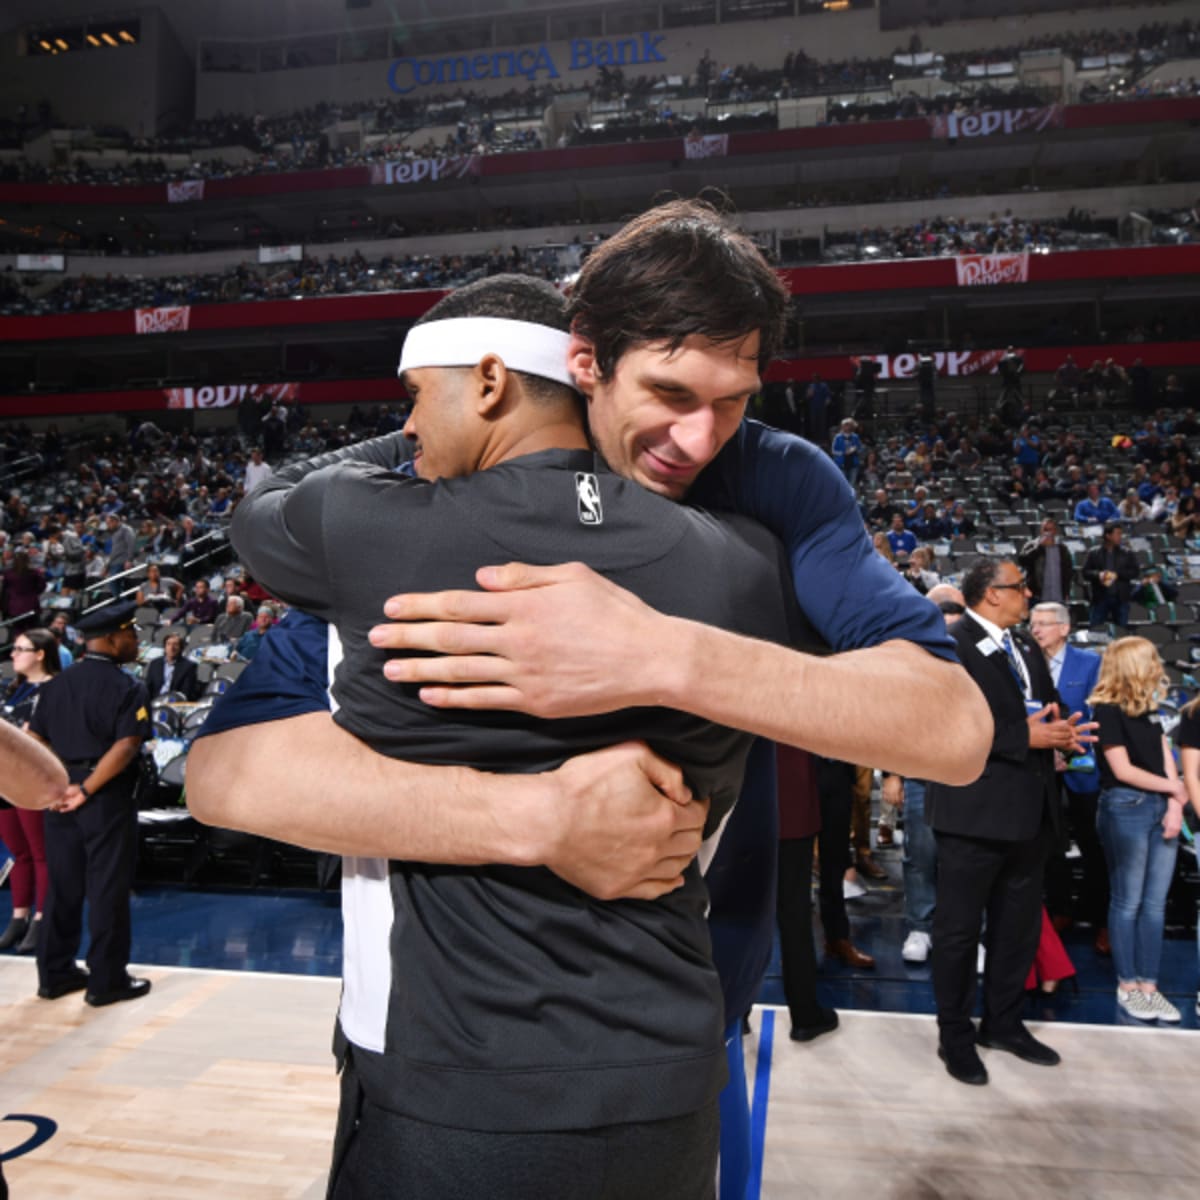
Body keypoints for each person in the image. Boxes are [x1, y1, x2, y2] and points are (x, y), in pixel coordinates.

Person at [189, 204, 987, 1190]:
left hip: (680, 1022)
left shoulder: (774, 483)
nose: (699, 438)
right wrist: (538, 816)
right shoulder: (426, 497)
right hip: (452, 1053)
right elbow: (236, 770)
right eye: (668, 392)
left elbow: (953, 728)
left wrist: (662, 653)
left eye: (734, 399)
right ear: (583, 361)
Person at [228, 272, 805, 1196]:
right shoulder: (742, 560)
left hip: (463, 1076)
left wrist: (404, 443)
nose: (410, 426)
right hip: (669, 1067)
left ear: (490, 381)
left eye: (416, 396)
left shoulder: (370, 530)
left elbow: (260, 506)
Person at [926, 559, 1093, 1086]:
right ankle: (954, 1035)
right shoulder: (950, 643)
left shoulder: (1023, 648)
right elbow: (940, 727)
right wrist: (1025, 739)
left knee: (1016, 930)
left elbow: (1042, 710)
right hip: (972, 816)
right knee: (957, 933)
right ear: (992, 595)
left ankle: (1003, 1022)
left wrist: (1062, 729)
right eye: (1019, 587)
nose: (1027, 594)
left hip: (1031, 814)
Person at [28, 600, 152, 1007]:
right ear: (112, 638)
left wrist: (58, 787)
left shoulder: (55, 685)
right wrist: (86, 789)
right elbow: (126, 745)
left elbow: (37, 740)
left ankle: (55, 974)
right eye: (130, 634)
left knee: (62, 889)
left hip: (59, 796)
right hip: (103, 798)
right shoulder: (127, 685)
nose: (135, 640)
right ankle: (106, 981)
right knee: (106, 890)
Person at [1090, 637, 1184, 1023]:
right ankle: (1127, 984)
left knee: (1155, 904)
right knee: (1127, 900)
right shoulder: (1106, 710)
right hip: (1125, 807)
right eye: (1152, 659)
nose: (1159, 665)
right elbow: (1122, 770)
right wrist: (1174, 790)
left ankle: (1149, 985)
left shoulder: (1150, 709)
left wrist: (1176, 804)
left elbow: (1167, 762)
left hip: (1161, 806)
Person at [1028, 602, 1107, 950]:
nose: (1036, 630)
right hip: (1040, 767)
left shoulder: (1090, 663)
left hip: (1082, 767)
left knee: (1094, 843)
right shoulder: (1025, 662)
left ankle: (1100, 917)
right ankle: (1059, 909)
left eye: (1044, 623)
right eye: (1032, 624)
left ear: (1064, 628)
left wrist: (1069, 751)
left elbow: (1097, 716)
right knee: (1048, 842)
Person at [894, 582, 966, 965]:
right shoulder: (913, 666)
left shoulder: (976, 671)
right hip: (921, 774)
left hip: (966, 776)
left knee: (963, 860)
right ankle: (920, 927)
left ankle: (967, 932)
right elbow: (893, 723)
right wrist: (892, 775)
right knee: (919, 856)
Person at [0, 628, 61, 954]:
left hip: (34, 780)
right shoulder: (16, 689)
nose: (13, 654)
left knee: (40, 853)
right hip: (5, 779)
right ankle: (18, 916)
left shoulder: (56, 690)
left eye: (21, 649)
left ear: (40, 654)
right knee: (18, 853)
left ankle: (41, 919)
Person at [775, 744, 838, 1042]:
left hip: (743, 802)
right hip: (792, 797)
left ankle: (737, 1012)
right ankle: (804, 1014)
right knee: (794, 917)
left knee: (742, 912)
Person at [1082, 522, 1139, 629]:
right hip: (1100, 598)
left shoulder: (1127, 553)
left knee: (1121, 631)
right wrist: (1098, 574)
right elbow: (1085, 572)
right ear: (1108, 536)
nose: (1120, 537)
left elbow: (1135, 572)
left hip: (1121, 598)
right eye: (1117, 534)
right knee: (1096, 630)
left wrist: (1118, 575)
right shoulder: (1094, 553)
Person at [1018, 517, 1073, 606]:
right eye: (1045, 529)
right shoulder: (1031, 545)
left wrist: (1066, 592)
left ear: (1055, 531)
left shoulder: (1062, 549)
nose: (1048, 533)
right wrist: (1039, 547)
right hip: (1037, 596)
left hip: (1058, 597)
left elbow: (1068, 572)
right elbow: (1022, 561)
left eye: (1051, 530)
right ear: (1041, 530)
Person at [143, 633, 201, 702]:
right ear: (165, 647)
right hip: (155, 701)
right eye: (168, 644)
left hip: (175, 702)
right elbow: (148, 687)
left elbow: (186, 692)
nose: (171, 647)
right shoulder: (155, 664)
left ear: (181, 648)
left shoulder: (189, 666)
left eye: (175, 644)